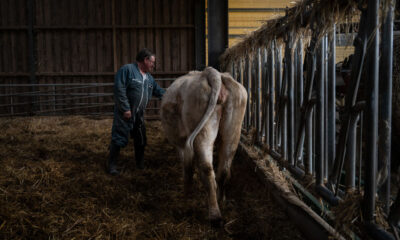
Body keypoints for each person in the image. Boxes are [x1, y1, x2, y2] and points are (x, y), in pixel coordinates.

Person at [107, 48, 165, 175]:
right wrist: (125, 108)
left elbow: (159, 91)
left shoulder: (149, 78)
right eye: (152, 62)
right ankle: (112, 166)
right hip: (125, 113)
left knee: (141, 138)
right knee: (119, 138)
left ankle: (140, 164)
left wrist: (173, 95)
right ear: (145, 60)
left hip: (139, 114)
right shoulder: (127, 70)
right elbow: (119, 88)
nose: (153, 65)